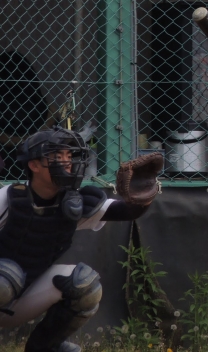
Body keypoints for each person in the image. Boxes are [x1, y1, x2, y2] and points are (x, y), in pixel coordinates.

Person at [0, 125, 158, 352]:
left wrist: (143, 194)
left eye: (69, 155)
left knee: (84, 284)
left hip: (20, 299)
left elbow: (126, 211)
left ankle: (45, 346)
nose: (67, 162)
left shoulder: (73, 204)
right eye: (57, 156)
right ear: (34, 165)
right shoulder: (10, 198)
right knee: (6, 277)